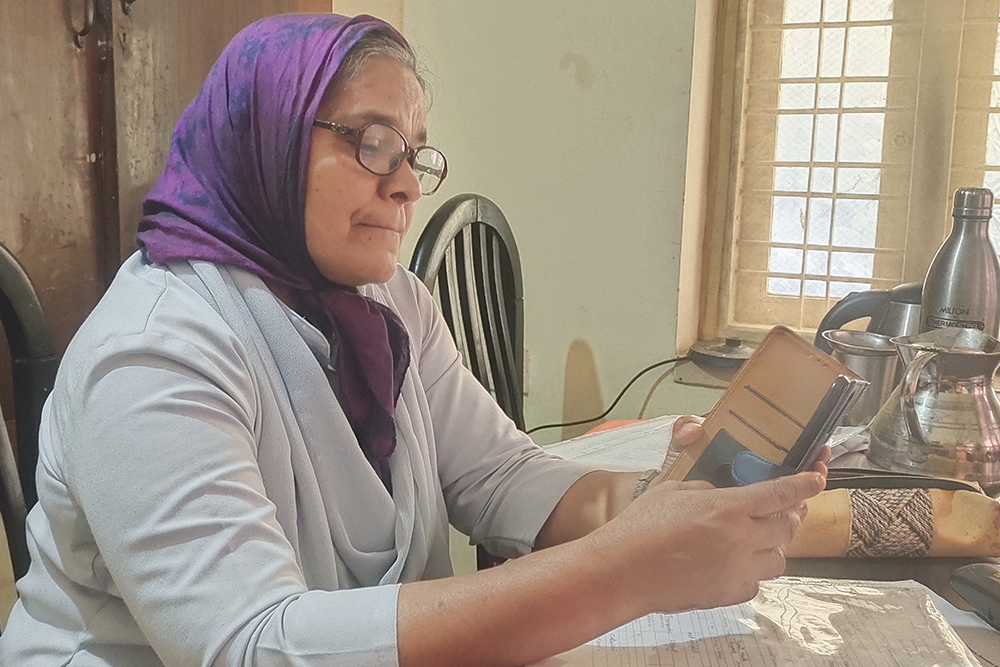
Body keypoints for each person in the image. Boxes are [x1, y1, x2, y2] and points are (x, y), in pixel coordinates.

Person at [0, 13, 826, 667]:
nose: (402, 184)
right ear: (264, 138)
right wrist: (628, 569)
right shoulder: (156, 352)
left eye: (412, 152)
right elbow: (249, 644)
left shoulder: (388, 299)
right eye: (368, 141)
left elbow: (501, 477)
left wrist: (664, 502)